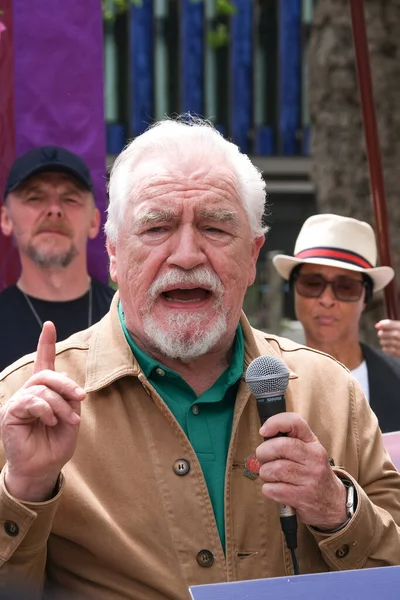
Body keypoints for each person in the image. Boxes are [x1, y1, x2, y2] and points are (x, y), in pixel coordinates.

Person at [0, 119, 399, 600]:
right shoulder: (25, 406)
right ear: (112, 253)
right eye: (156, 227)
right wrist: (24, 490)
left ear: (253, 256)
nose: (187, 255)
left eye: (214, 227)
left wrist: (338, 508)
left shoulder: (332, 394)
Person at [273, 213, 400, 433]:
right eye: (312, 284)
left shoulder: (395, 377)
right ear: (293, 290)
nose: (327, 300)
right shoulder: (262, 383)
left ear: (365, 299)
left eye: (346, 287)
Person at [0, 146, 115, 371]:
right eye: (35, 198)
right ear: (6, 218)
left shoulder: (128, 321)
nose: (54, 210)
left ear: (94, 222)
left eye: (70, 199)